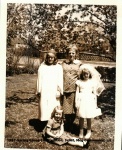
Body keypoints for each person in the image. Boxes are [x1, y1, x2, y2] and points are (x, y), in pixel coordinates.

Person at [75, 64, 105, 139]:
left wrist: (95, 103)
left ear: (89, 74)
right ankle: (81, 131)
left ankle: (88, 131)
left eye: (87, 74)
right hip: (81, 100)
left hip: (89, 100)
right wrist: (76, 102)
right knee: (81, 116)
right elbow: (77, 92)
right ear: (82, 74)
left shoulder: (92, 82)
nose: (86, 75)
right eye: (84, 74)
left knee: (88, 116)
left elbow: (94, 93)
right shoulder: (79, 82)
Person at [36, 49, 63, 124]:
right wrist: (39, 90)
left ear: (55, 58)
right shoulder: (42, 66)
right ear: (47, 58)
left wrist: (59, 91)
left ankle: (54, 123)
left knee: (53, 105)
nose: (50, 59)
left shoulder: (58, 67)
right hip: (44, 89)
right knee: (44, 106)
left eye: (52, 57)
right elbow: (39, 79)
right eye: (49, 57)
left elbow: (60, 80)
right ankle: (45, 123)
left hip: (54, 90)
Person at [62, 44, 81, 132]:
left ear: (76, 54)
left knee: (73, 108)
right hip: (65, 88)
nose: (71, 55)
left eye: (73, 53)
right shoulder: (63, 63)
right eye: (69, 53)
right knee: (66, 108)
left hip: (74, 88)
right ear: (67, 54)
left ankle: (71, 124)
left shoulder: (79, 64)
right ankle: (67, 123)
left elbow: (83, 75)